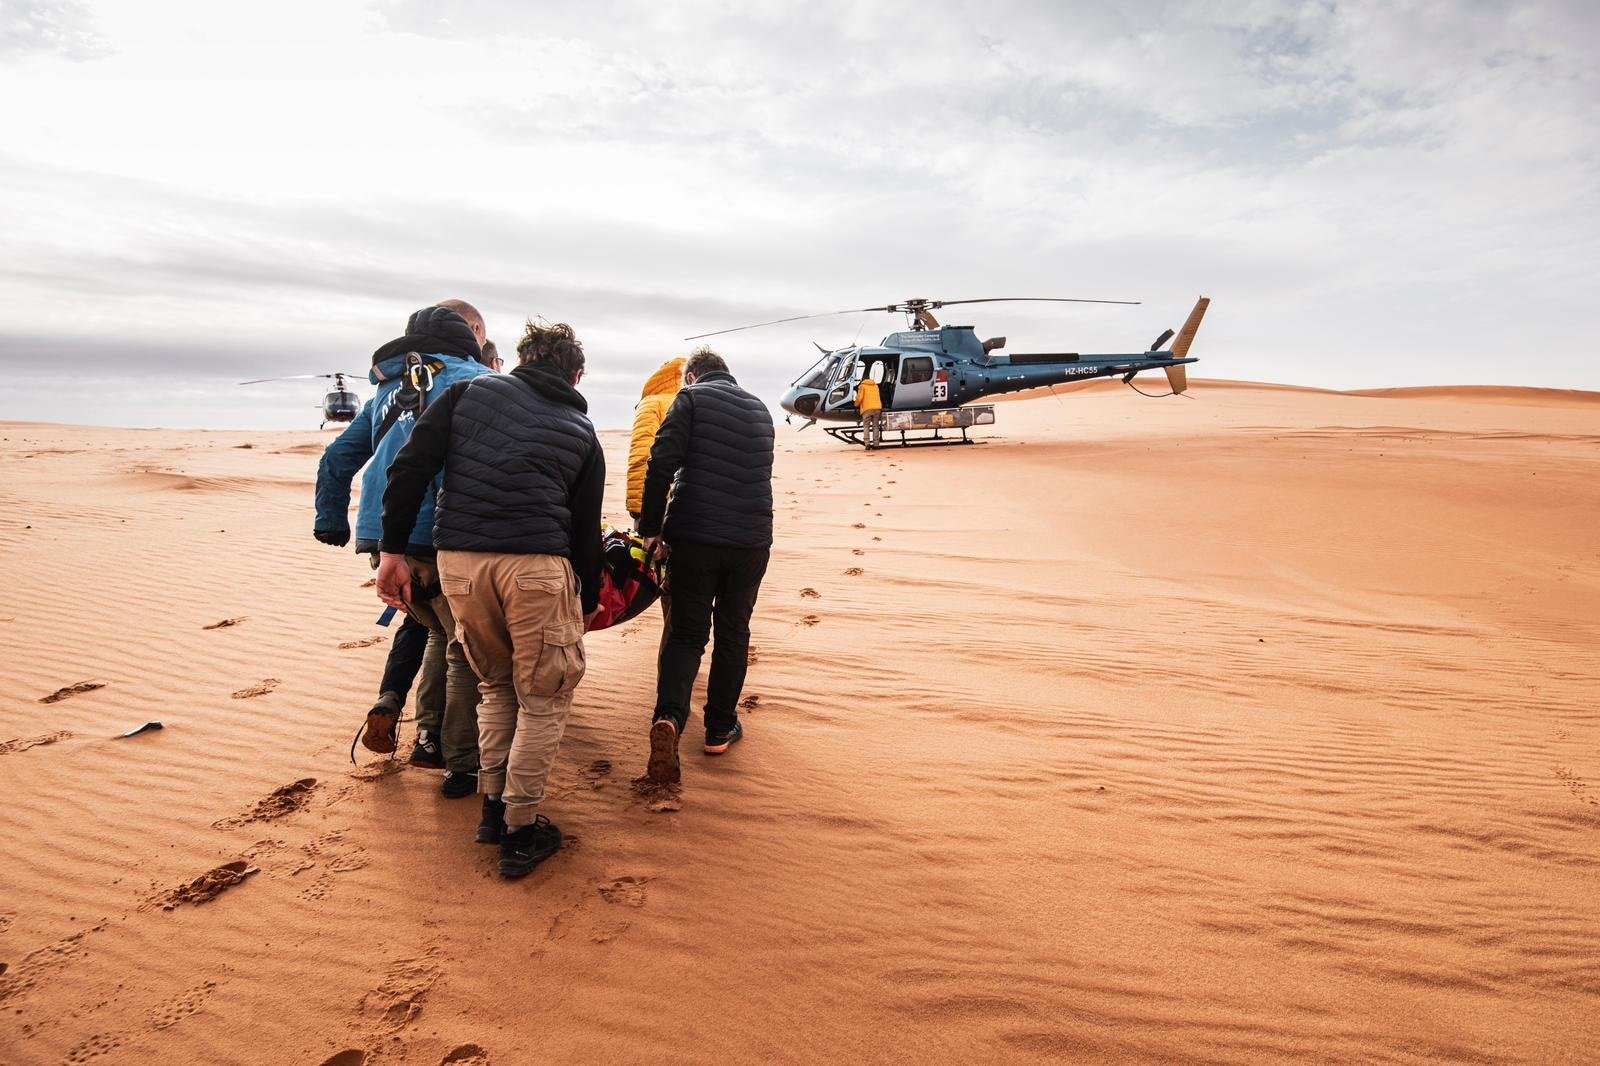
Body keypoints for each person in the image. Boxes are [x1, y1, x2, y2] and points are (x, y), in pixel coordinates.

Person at [377, 319, 605, 879]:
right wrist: (591, 597)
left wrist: (392, 551)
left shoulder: (465, 394)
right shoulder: (579, 426)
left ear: (524, 360)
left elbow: (409, 469)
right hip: (536, 567)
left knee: (495, 685)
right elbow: (585, 529)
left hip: (460, 563)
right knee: (545, 696)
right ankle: (521, 832)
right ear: (576, 373)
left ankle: (493, 807)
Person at [315, 301, 496, 796]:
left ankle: (427, 738)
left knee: (436, 634)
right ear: (468, 337)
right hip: (447, 533)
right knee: (464, 648)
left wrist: (331, 521)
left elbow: (337, 459)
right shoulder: (479, 382)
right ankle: (461, 764)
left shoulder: (384, 393)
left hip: (385, 538)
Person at [637, 346, 774, 784]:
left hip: (695, 537)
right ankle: (719, 728)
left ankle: (671, 720)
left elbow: (660, 464)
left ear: (692, 377)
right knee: (734, 632)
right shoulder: (761, 409)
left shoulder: (691, 399)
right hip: (751, 541)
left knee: (687, 634)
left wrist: (652, 527)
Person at [627, 356, 686, 652]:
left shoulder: (651, 404)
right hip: (690, 505)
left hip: (659, 506)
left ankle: (674, 651)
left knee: (668, 583)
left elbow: (642, 460)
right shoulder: (689, 399)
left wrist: (640, 515)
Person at [855, 372, 884, 450]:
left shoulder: (862, 386)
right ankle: (876, 444)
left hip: (867, 409)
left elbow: (860, 397)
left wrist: (856, 404)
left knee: (866, 426)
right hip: (877, 408)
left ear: (862, 380)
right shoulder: (875, 386)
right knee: (875, 426)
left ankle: (867, 444)